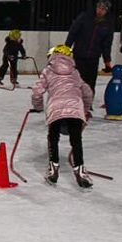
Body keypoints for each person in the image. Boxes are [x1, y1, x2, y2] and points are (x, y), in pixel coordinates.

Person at [31, 44, 95, 188]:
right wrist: (86, 108)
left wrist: (38, 107)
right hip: (75, 108)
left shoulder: (48, 70)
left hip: (56, 108)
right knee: (76, 139)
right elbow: (87, 91)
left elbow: (37, 91)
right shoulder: (74, 72)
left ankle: (53, 167)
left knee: (53, 137)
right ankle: (80, 170)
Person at [65, 0, 114, 96]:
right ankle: (76, 99)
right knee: (78, 80)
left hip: (94, 56)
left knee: (91, 82)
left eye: (103, 9)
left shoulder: (108, 24)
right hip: (79, 54)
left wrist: (107, 61)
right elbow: (73, 33)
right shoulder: (84, 17)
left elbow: (106, 45)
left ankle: (88, 102)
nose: (100, 10)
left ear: (107, 11)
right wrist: (67, 49)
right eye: (99, 8)